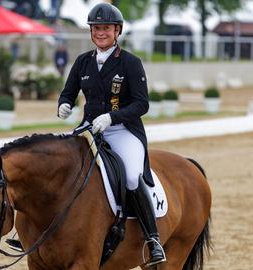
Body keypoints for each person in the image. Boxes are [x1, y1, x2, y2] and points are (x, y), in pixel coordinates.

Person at [57, 3, 166, 267]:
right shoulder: (83, 61)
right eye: (96, 28)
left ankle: (152, 239)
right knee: (58, 167)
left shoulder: (130, 62)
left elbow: (142, 104)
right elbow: (68, 91)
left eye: (105, 28)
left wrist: (112, 117)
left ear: (117, 31)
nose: (100, 32)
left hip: (123, 131)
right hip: (89, 131)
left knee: (130, 176)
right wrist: (64, 103)